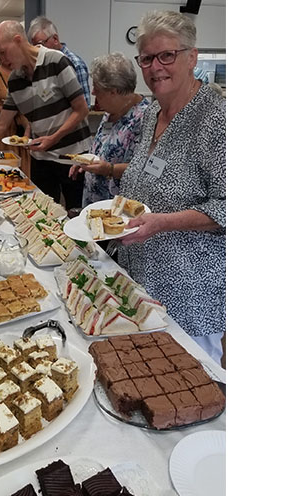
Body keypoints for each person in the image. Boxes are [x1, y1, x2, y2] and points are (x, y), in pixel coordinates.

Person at [117, 11, 226, 364]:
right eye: (147, 58)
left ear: (192, 57)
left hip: (190, 291)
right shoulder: (153, 112)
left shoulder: (217, 119)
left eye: (167, 55)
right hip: (141, 277)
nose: (155, 67)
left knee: (191, 381)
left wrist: (164, 222)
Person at [0, 20, 92, 210]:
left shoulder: (56, 61)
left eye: (3, 52)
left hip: (71, 158)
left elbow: (81, 109)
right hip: (41, 159)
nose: (2, 60)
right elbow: (1, 125)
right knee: (43, 213)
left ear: (18, 40)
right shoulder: (15, 80)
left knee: (75, 212)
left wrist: (53, 138)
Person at [68, 52, 150, 207]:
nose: (93, 92)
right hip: (94, 200)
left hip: (118, 208)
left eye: (97, 88)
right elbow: (102, 147)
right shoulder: (111, 110)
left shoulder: (145, 118)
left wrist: (109, 169)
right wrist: (85, 161)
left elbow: (144, 168)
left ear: (114, 91)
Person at [0, 56, 32, 177]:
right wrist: (10, 110)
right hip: (1, 129)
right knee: (2, 166)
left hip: (21, 128)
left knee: (22, 167)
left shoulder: (22, 74)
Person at [27, 16, 91, 109]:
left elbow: (84, 107)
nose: (38, 50)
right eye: (34, 47)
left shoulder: (75, 64)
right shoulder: (42, 65)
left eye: (41, 44)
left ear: (55, 39)